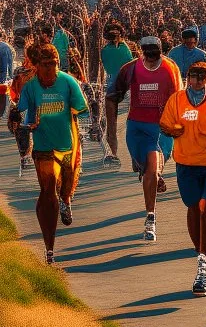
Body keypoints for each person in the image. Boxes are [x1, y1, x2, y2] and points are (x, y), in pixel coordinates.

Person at [160, 61, 206, 297]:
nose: (198, 80)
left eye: (203, 76)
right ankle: (198, 251)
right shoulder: (177, 100)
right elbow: (165, 124)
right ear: (187, 77)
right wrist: (173, 131)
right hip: (186, 163)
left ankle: (203, 260)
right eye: (194, 75)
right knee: (193, 207)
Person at [16, 45, 88, 265]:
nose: (51, 68)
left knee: (65, 186)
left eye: (54, 64)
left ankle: (66, 200)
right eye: (46, 64)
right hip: (43, 146)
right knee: (48, 191)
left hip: (67, 145)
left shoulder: (68, 82)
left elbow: (81, 109)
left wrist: (86, 117)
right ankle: (49, 248)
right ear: (37, 65)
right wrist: (23, 124)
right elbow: (21, 114)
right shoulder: (30, 87)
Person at [111, 35, 182, 242]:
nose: (151, 58)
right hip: (137, 127)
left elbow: (178, 100)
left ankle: (150, 217)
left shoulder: (170, 68)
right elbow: (112, 96)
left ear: (161, 52)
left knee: (152, 165)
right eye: (147, 53)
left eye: (155, 54)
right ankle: (152, 174)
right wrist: (110, 131)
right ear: (141, 52)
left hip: (161, 127)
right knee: (149, 166)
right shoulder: (131, 69)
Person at [100, 22, 133, 165]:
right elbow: (130, 64)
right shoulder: (125, 48)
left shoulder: (104, 50)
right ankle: (131, 153)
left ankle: (113, 152)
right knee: (129, 121)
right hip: (126, 86)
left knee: (111, 123)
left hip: (111, 87)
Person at [0, 29, 13, 120]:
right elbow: (9, 64)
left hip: (2, 76)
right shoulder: (6, 47)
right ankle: (0, 115)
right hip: (2, 77)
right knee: (2, 97)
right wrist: (10, 77)